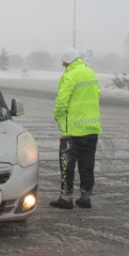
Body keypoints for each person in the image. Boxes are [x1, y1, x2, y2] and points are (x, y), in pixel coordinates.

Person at [50, 47, 102, 210]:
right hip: (92, 128)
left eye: (64, 63)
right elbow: (97, 94)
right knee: (87, 164)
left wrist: (58, 117)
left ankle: (66, 198)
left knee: (67, 165)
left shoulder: (70, 76)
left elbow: (62, 101)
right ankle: (85, 197)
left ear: (68, 62)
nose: (64, 66)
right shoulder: (90, 73)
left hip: (72, 131)